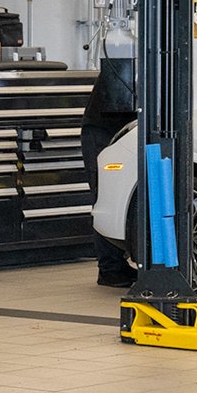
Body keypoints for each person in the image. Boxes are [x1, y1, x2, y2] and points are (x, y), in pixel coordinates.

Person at [82, 55, 139, 287]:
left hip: (122, 129)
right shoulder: (128, 54)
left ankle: (118, 264)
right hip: (103, 130)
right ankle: (110, 269)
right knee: (106, 196)